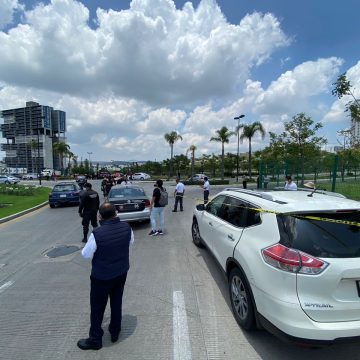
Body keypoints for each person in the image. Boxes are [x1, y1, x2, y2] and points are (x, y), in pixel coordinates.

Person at [77, 202, 134, 351]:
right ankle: (115, 331)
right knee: (116, 301)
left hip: (101, 277)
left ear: (99, 216)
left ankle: (95, 339)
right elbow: (130, 242)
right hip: (121, 272)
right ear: (116, 213)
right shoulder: (127, 227)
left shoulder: (97, 234)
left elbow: (85, 254)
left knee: (97, 308)